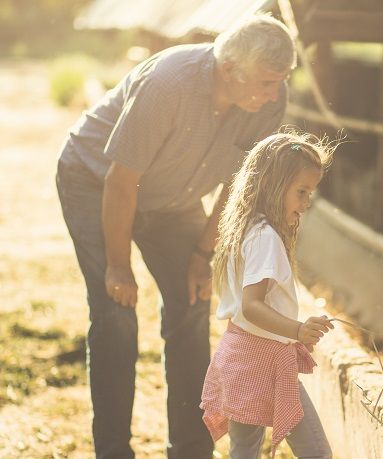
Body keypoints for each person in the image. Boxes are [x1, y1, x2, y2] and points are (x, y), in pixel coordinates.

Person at [55, 14, 295, 459]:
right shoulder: (170, 84)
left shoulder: (269, 99)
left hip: (174, 196)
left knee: (190, 302)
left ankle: (189, 450)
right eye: (265, 82)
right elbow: (121, 181)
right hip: (96, 181)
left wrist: (205, 254)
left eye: (280, 81)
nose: (273, 94)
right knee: (115, 313)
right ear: (230, 70)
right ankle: (113, 451)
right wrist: (118, 265)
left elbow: (239, 186)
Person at [200, 132, 335, 458]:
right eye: (301, 192)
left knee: (244, 450)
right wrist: (299, 331)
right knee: (317, 453)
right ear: (272, 184)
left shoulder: (245, 227)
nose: (306, 203)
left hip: (240, 354)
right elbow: (252, 307)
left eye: (310, 194)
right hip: (264, 358)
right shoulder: (265, 238)